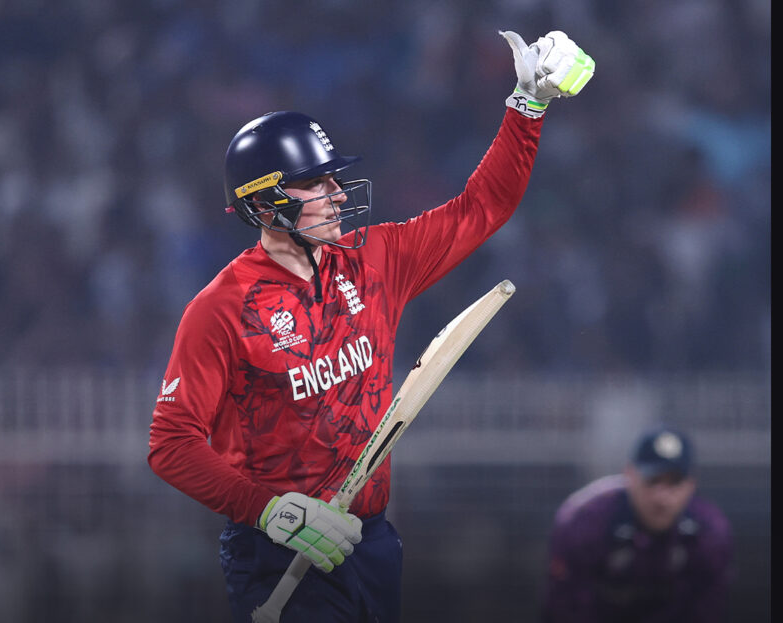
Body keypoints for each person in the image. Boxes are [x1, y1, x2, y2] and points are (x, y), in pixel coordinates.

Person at [148, 29, 595, 623]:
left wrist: (527, 106)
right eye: (316, 182)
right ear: (263, 203)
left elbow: (482, 208)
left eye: (333, 178)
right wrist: (269, 511)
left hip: (372, 541)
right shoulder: (221, 309)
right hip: (276, 551)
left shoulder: (375, 259)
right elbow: (171, 444)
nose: (336, 193)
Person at [541, 425, 734, 623]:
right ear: (629, 475)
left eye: (674, 483)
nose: (662, 497)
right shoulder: (584, 520)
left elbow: (708, 610)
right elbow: (565, 608)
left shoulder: (710, 531)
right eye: (652, 480)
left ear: (691, 485)